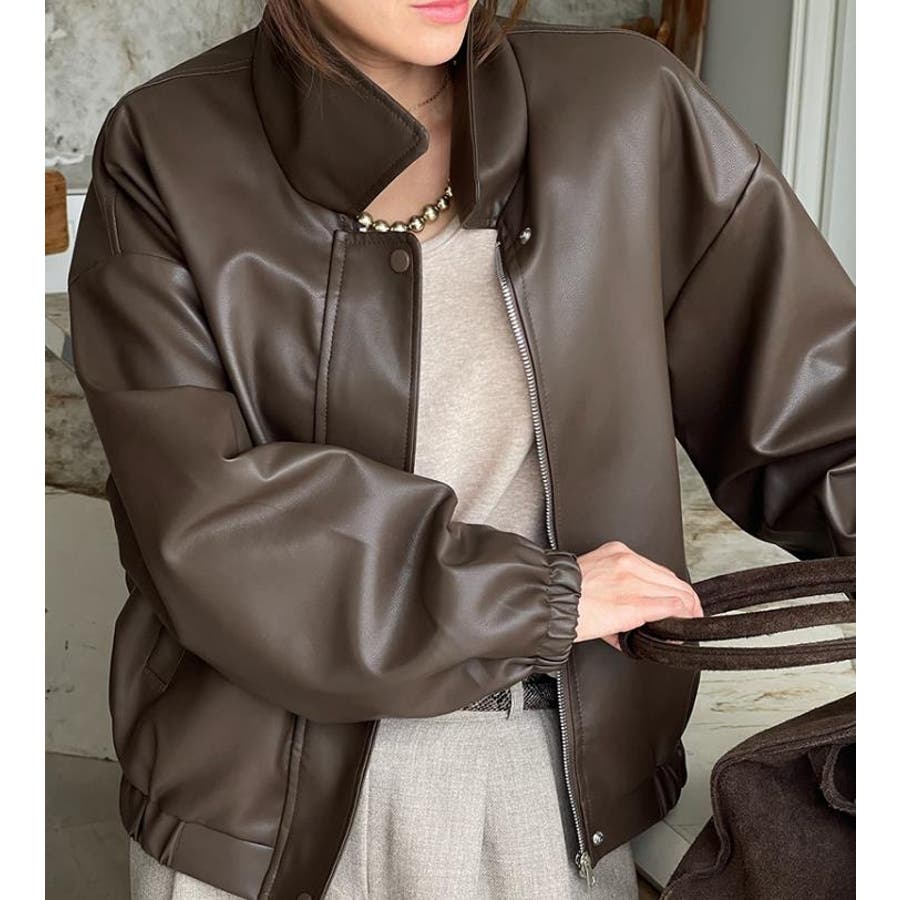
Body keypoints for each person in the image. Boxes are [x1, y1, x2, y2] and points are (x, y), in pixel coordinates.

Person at [67, 1, 856, 899]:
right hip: (253, 813)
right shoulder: (165, 145)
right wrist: (535, 597)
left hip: (545, 791)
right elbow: (205, 521)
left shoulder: (629, 107)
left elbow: (824, 410)